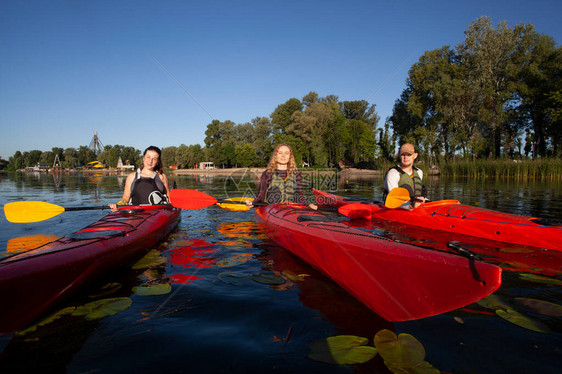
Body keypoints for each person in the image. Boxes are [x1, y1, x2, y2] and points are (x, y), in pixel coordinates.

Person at [246, 144, 317, 209]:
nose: (283, 155)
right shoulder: (267, 174)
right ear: (275, 156)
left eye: (286, 153)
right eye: (280, 153)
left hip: (292, 209)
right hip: (272, 209)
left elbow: (300, 195)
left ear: (290, 157)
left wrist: (308, 205)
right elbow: (261, 195)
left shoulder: (296, 173)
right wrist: (254, 203)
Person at [109, 146, 171, 211]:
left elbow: (168, 198)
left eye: (154, 159)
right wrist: (117, 206)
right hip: (135, 214)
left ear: (158, 161)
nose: (150, 161)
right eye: (148, 157)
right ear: (143, 158)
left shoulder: (161, 177)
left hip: (157, 215)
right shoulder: (131, 177)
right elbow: (125, 198)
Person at [383, 143, 426, 209]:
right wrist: (410, 206)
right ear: (399, 155)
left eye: (409, 154)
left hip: (417, 207)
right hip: (398, 208)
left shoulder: (419, 172)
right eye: (403, 154)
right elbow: (394, 199)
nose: (406, 157)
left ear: (415, 155)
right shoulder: (393, 173)